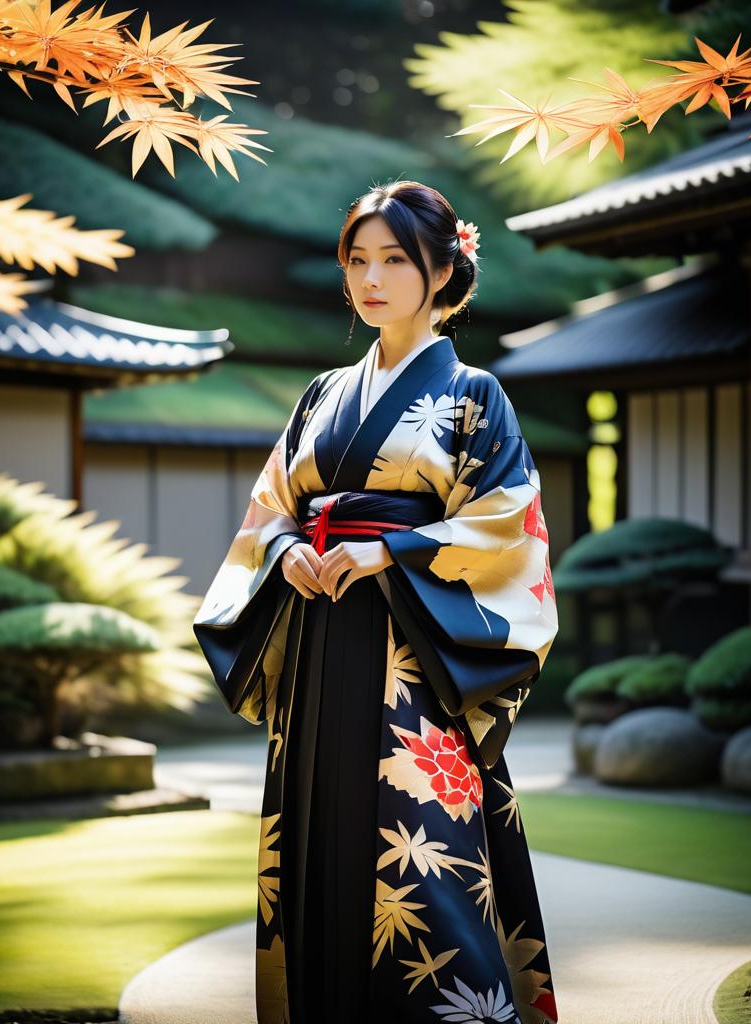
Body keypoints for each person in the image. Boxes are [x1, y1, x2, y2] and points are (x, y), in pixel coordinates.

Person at [193, 180, 559, 1024]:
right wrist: (285, 552)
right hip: (321, 643)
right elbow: (271, 507)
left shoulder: (475, 395)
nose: (372, 278)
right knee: (316, 851)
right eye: (358, 260)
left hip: (414, 655)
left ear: (441, 272)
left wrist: (391, 549)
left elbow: (510, 527)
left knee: (423, 865)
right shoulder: (322, 393)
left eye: (396, 259)